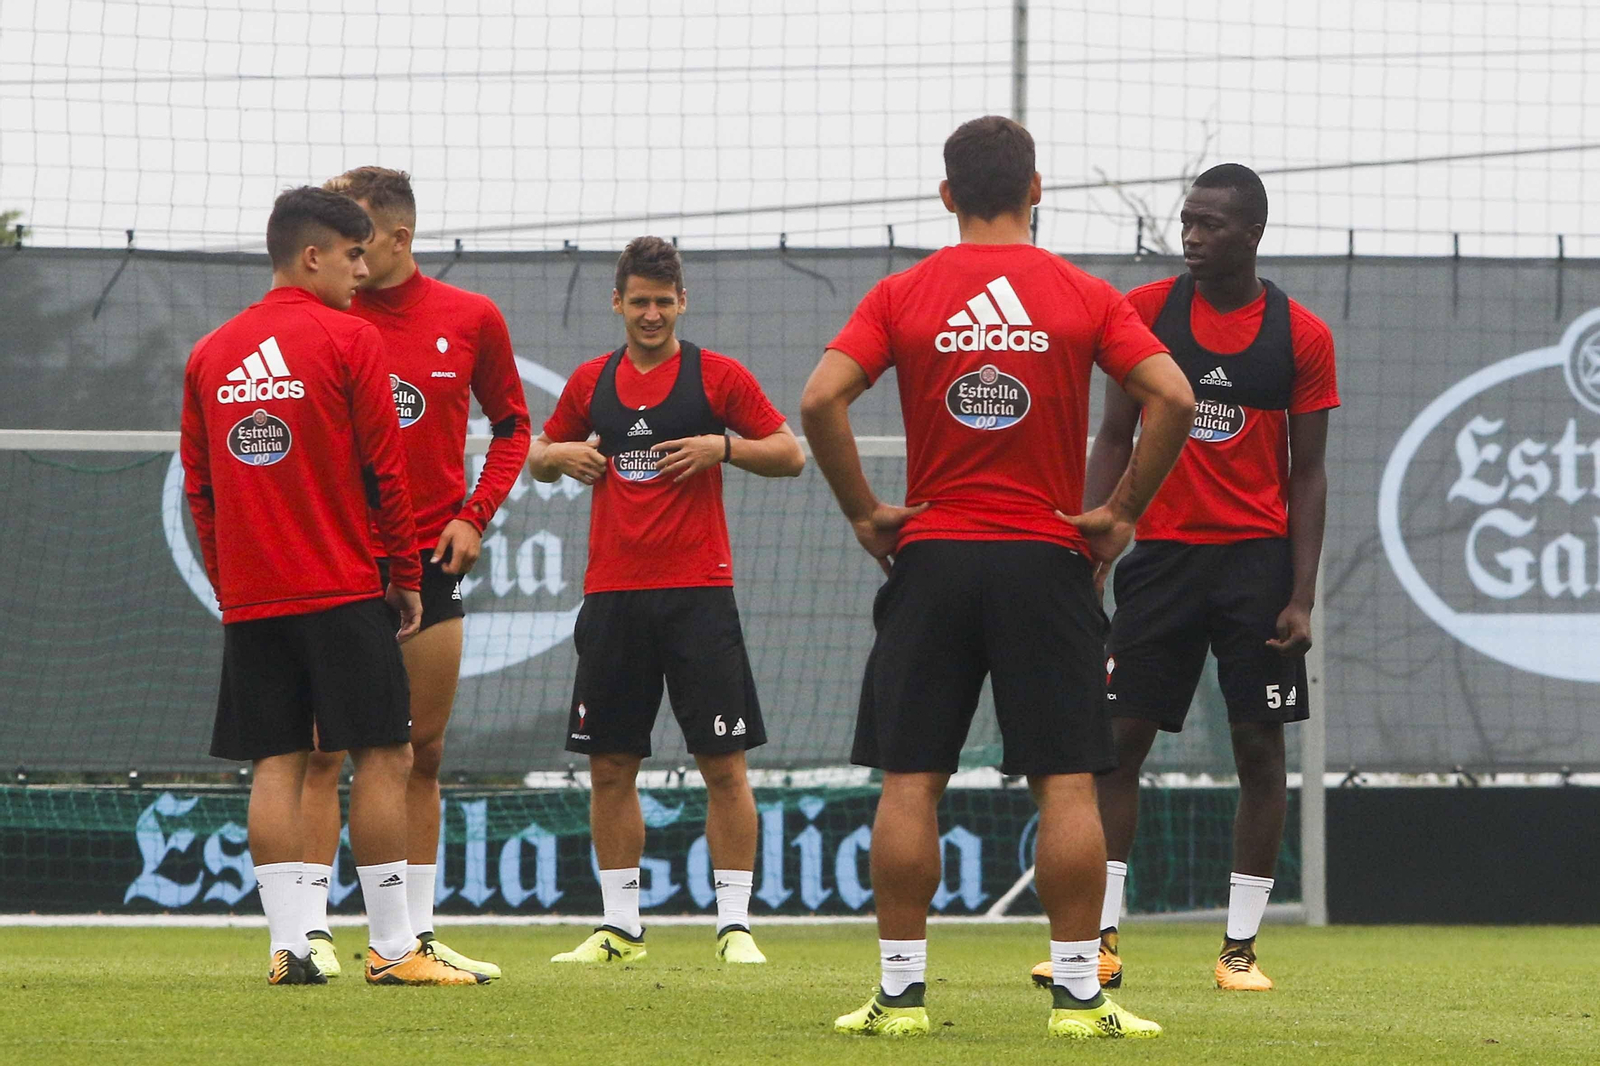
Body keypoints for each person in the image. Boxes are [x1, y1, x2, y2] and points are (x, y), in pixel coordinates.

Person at [802, 115, 1194, 1040]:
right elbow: (1174, 397)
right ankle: (1078, 999)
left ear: (946, 195)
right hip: (1046, 562)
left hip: (932, 559)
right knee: (1067, 783)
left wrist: (865, 512)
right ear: (1037, 189)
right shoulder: (1083, 293)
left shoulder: (902, 293)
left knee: (911, 782)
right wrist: (1121, 514)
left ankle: (901, 999)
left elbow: (820, 399)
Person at [180, 186, 482, 986]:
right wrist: (404, 576)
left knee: (276, 764)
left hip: (253, 600)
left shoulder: (210, 353)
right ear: (312, 256)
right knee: (386, 753)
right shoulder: (351, 339)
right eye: (352, 255)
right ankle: (394, 948)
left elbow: (200, 489)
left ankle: (291, 948)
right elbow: (386, 471)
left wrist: (229, 583)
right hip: (343, 589)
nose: (362, 271)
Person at [1052, 163, 1339, 993]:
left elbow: (1308, 473)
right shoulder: (1145, 314)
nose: (1191, 237)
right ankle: (1101, 941)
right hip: (1162, 561)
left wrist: (1301, 594)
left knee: (1259, 749)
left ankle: (1238, 951)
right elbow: (1114, 435)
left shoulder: (1302, 336)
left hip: (1257, 564)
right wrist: (1093, 541)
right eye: (1187, 221)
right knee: (1117, 747)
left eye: (1210, 224)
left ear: (1252, 233)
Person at [528, 236, 805, 965]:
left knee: (724, 766)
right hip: (613, 598)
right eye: (638, 301)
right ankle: (620, 928)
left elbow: (791, 453)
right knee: (610, 767)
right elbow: (538, 455)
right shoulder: (591, 381)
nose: (650, 314)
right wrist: (558, 455)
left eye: (662, 301)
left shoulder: (717, 376)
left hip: (698, 596)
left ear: (683, 302)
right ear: (616, 303)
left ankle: (735, 927)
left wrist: (725, 448)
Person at [298, 167, 530, 981]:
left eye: (361, 239)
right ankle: (308, 934)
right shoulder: (324, 313)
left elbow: (513, 426)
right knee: (323, 752)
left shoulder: (470, 317)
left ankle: (412, 938)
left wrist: (475, 513)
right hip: (336, 560)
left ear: (399, 238)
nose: (350, 256)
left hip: (428, 560)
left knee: (419, 751)